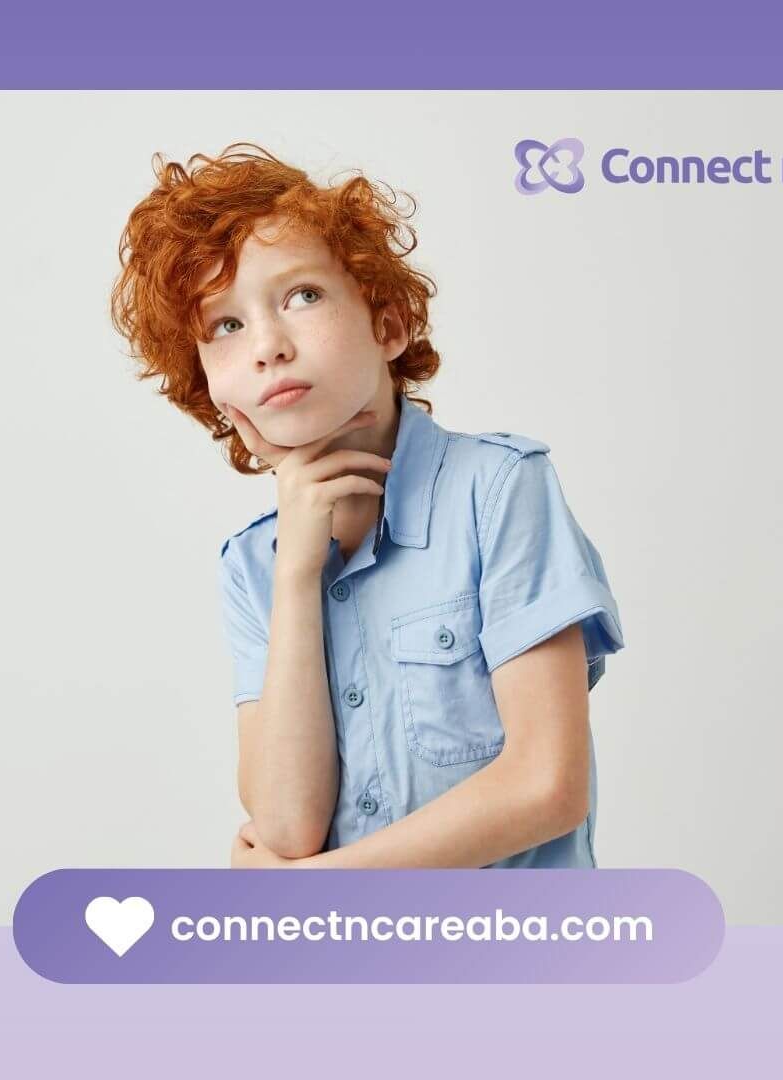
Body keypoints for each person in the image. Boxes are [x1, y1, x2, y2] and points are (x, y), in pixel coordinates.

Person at [109, 143, 624, 868]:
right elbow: (286, 828)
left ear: (388, 324)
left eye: (302, 296)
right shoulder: (252, 566)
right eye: (225, 326)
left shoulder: (499, 489)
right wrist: (296, 576)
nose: (267, 346)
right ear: (210, 388)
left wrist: (317, 893)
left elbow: (546, 787)